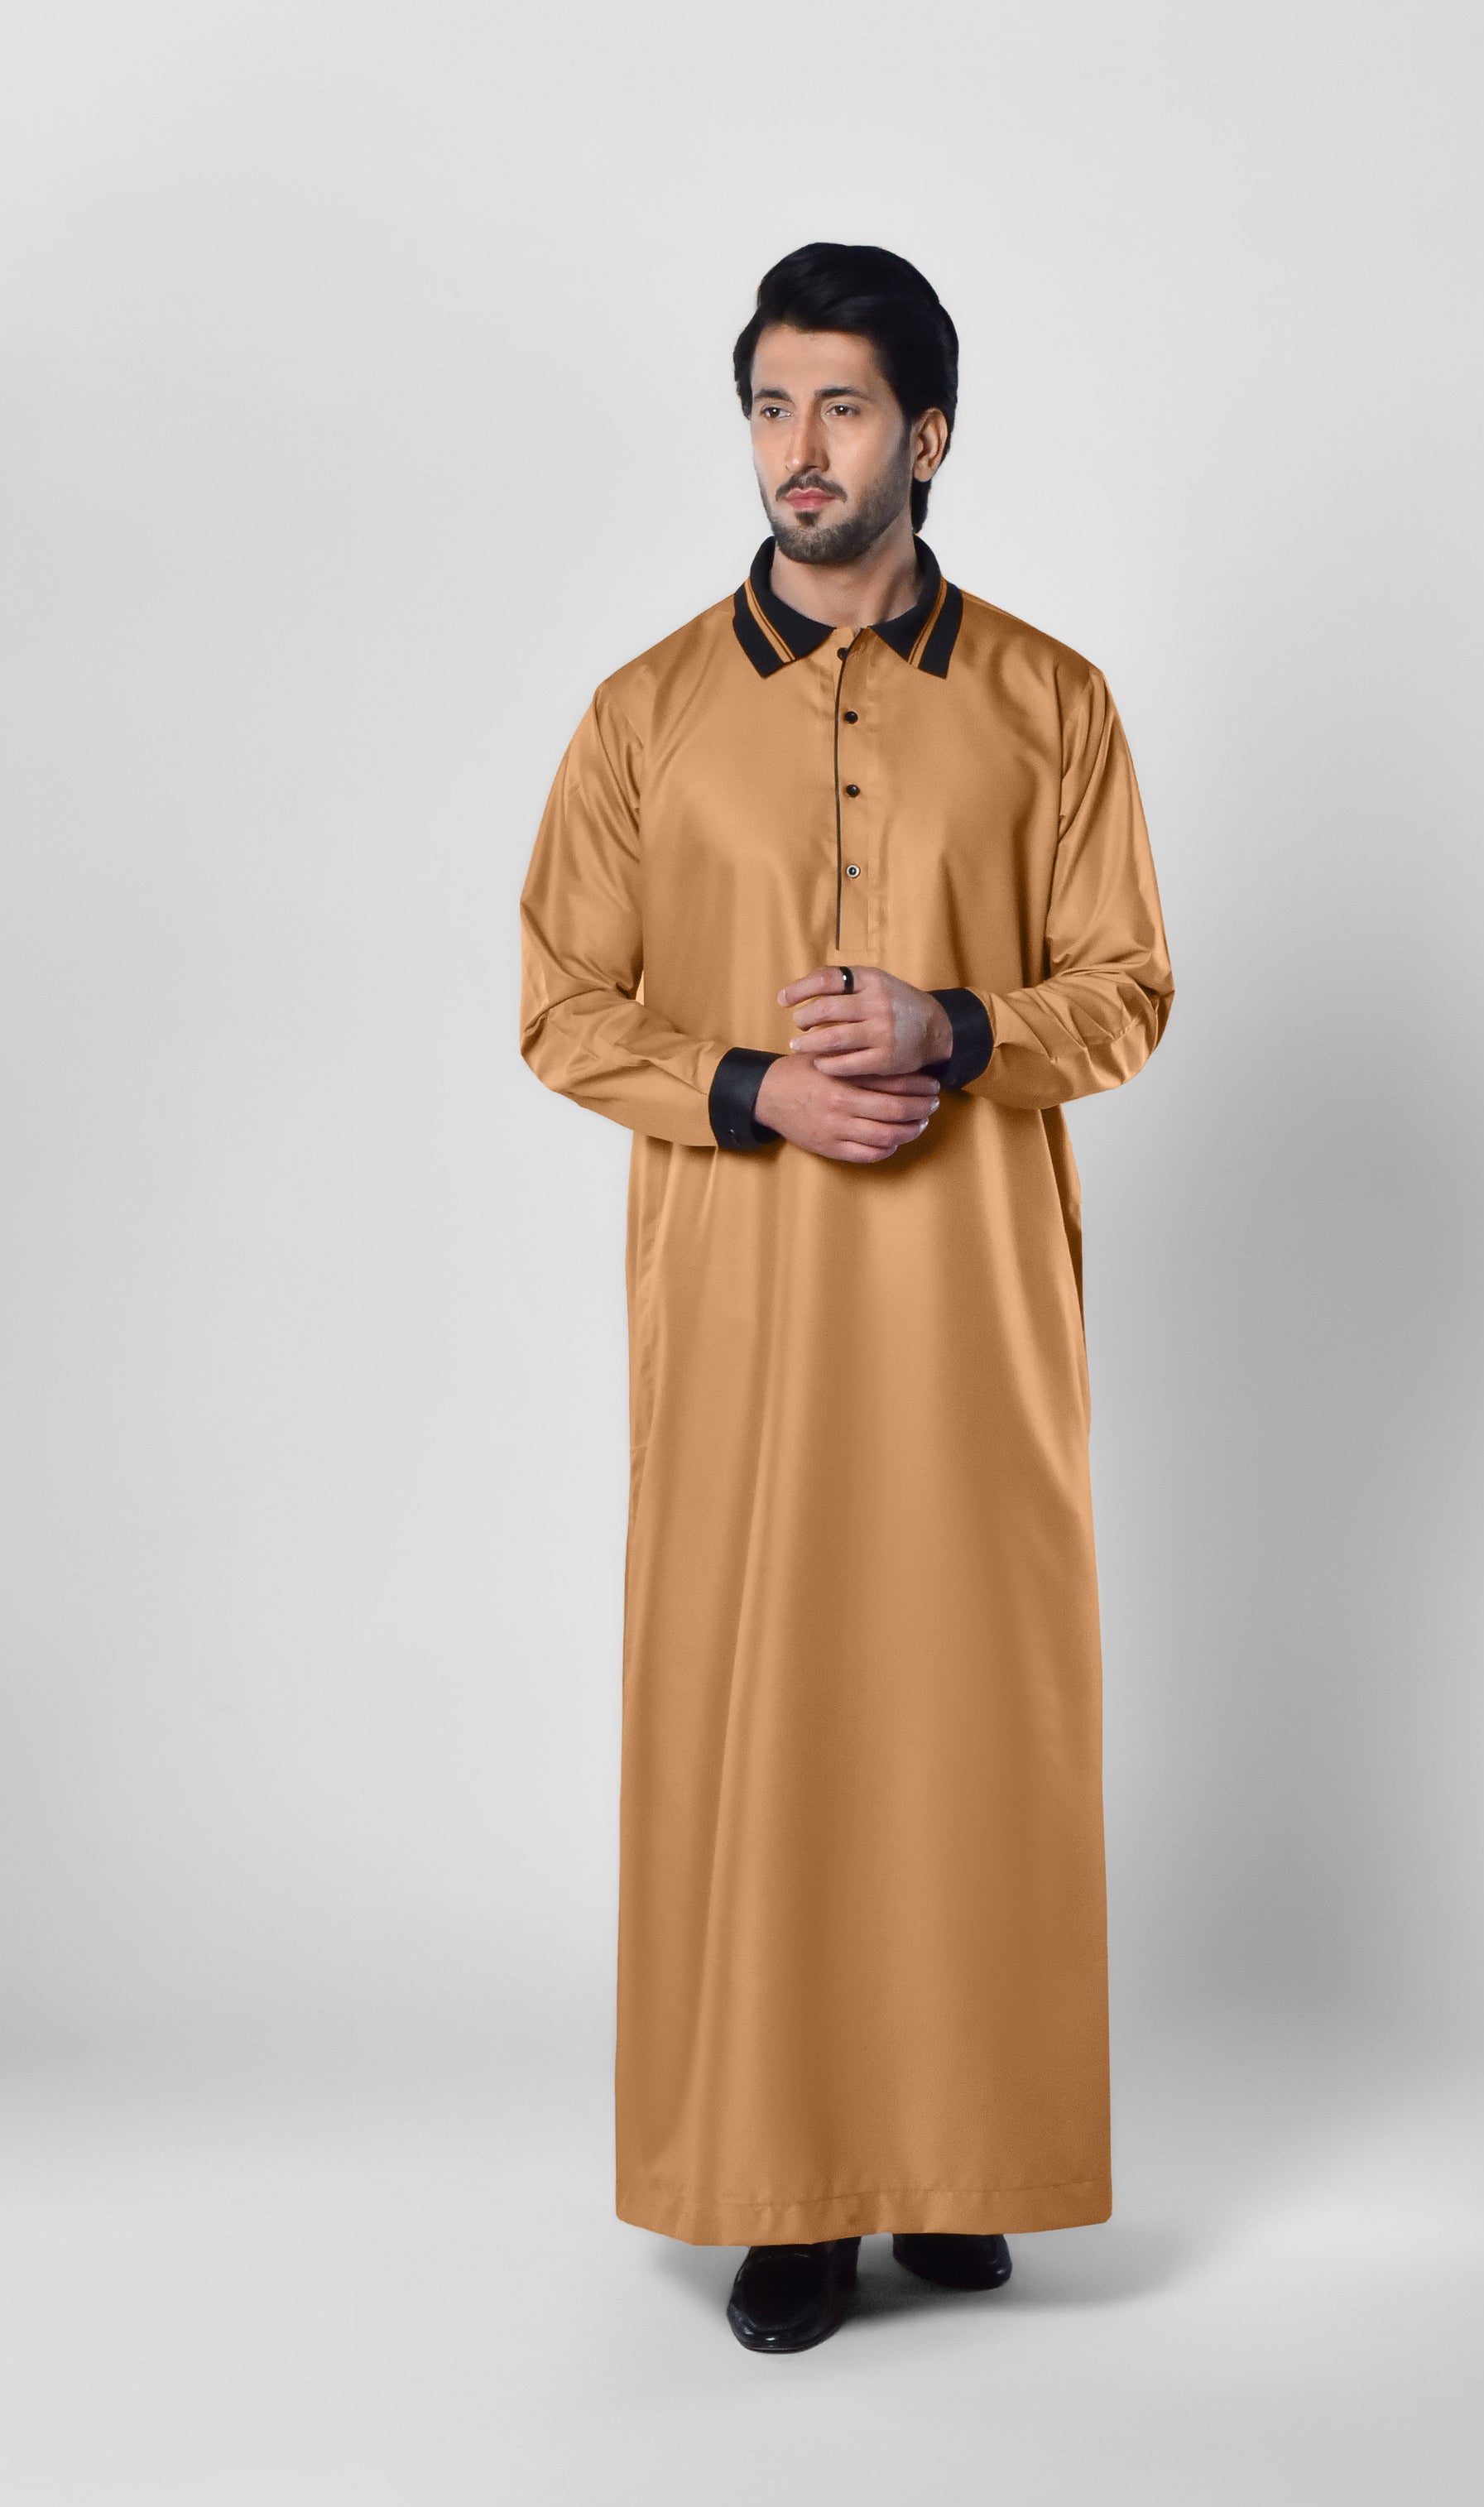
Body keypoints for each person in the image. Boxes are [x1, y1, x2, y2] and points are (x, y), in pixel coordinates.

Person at [519, 242, 1173, 2353]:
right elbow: (560, 1001)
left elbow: (1127, 987)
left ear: (929, 435)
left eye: (843, 408)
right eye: (771, 406)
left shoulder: (1053, 702)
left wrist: (952, 1023)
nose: (799, 449)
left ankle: (961, 2165)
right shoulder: (645, 711)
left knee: (975, 1722)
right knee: (768, 1716)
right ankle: (785, 2191)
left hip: (975, 1312)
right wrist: (755, 1085)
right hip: (745, 1319)